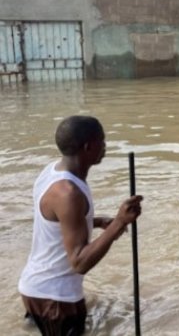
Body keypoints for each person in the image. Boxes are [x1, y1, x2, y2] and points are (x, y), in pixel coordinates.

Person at [18, 115, 143, 335]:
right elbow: (79, 262)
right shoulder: (69, 193)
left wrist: (99, 222)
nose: (105, 147)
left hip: (40, 287)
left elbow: (56, 222)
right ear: (88, 147)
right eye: (102, 141)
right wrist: (118, 224)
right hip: (54, 298)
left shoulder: (52, 171)